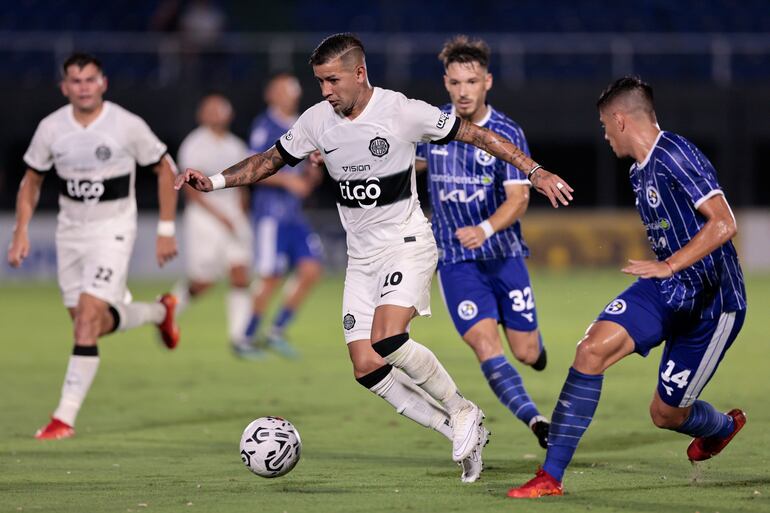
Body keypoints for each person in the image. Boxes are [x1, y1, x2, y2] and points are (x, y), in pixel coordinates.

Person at [176, 33, 572, 482]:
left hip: (407, 242)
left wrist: (534, 171)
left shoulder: (402, 111)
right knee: (365, 365)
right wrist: (212, 181)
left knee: (388, 339)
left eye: (332, 80)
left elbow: (477, 134)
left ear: (359, 73)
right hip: (361, 259)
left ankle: (462, 409)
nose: (325, 91)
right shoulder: (316, 121)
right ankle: (457, 430)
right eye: (320, 82)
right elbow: (269, 160)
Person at [508, 76, 747, 498]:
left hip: (713, 304)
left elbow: (725, 222)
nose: (603, 135)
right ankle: (550, 477)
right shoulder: (639, 170)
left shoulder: (675, 153)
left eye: (603, 125)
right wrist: (666, 269)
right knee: (590, 350)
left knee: (666, 414)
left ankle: (723, 427)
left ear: (619, 120)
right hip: (664, 287)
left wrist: (671, 264)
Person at [7, 53, 181, 440]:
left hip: (113, 231)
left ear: (102, 82)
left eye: (89, 79)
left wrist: (166, 228)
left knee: (86, 320)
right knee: (91, 324)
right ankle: (158, 312)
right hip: (70, 234)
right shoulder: (51, 129)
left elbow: (164, 167)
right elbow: (31, 180)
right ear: (64, 87)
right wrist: (21, 230)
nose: (83, 86)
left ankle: (63, 418)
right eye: (75, 80)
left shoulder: (125, 124)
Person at [415, 35, 550, 451]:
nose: (463, 91)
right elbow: (403, 162)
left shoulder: (507, 131)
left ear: (487, 82)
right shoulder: (433, 126)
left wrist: (485, 229)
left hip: (504, 254)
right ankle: (536, 421)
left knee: (526, 353)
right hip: (456, 260)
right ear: (446, 83)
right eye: (455, 83)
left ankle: (534, 348)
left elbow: (519, 197)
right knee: (485, 346)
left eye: (471, 81)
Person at [244, 73, 324, 358]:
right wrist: (289, 181)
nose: (290, 93)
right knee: (270, 276)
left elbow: (310, 172)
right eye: (284, 89)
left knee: (312, 269)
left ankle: (276, 330)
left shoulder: (304, 124)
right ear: (272, 94)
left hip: (294, 214)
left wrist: (314, 171)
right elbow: (254, 170)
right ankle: (247, 336)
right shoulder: (265, 126)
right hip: (270, 215)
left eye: (293, 88)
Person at [171, 93, 255, 356]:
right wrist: (220, 217)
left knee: (240, 272)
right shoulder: (194, 144)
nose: (217, 113)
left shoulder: (236, 145)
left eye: (221, 109)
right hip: (205, 218)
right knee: (202, 281)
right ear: (202, 114)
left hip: (233, 217)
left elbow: (243, 183)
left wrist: (240, 214)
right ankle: (166, 310)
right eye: (211, 109)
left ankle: (239, 337)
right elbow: (192, 190)